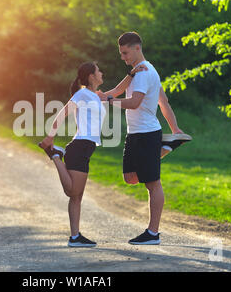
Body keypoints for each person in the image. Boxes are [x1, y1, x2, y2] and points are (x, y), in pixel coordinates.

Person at [97, 31, 191, 245]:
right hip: (135, 134)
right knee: (130, 177)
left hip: (147, 134)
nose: (123, 57)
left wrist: (109, 101)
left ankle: (153, 233)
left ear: (137, 48)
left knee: (152, 183)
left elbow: (134, 103)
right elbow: (162, 101)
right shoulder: (137, 72)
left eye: (125, 52)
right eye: (121, 54)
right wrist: (175, 129)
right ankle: (166, 147)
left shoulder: (145, 72)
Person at [39, 61, 146, 247]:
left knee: (77, 196)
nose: (102, 73)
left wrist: (131, 74)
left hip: (86, 149)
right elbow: (63, 114)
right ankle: (55, 155)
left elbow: (117, 90)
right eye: (99, 71)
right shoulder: (81, 94)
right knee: (72, 191)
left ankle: (75, 237)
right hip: (79, 146)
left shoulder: (96, 96)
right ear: (91, 76)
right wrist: (50, 137)